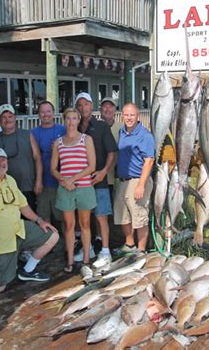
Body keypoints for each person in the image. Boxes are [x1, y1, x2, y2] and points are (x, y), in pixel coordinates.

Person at [0, 148, 59, 293]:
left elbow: (23, 206)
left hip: (18, 230)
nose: (1, 163)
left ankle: (27, 271)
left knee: (53, 235)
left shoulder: (10, 180)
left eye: (3, 159)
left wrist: (39, 220)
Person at [51, 108, 96, 273]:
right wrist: (64, 181)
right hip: (65, 188)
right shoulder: (58, 142)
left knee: (85, 224)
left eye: (74, 118)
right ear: (64, 120)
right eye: (68, 118)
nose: (71, 122)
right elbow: (53, 169)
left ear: (79, 120)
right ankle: (70, 259)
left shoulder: (86, 139)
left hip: (84, 187)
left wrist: (73, 179)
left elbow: (92, 166)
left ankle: (85, 258)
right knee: (69, 226)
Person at [75, 93, 117, 267]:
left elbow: (112, 152)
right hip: (80, 182)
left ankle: (105, 251)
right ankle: (89, 248)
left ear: (91, 106)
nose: (83, 108)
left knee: (101, 216)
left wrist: (104, 172)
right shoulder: (73, 127)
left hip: (98, 180)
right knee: (84, 218)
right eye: (80, 105)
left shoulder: (101, 126)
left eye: (86, 104)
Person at [114, 102, 155, 253]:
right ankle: (130, 245)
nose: (129, 118)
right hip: (123, 180)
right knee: (122, 215)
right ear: (122, 115)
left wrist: (141, 185)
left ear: (138, 116)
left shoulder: (145, 135)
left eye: (132, 115)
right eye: (126, 115)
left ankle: (141, 250)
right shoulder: (122, 132)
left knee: (139, 216)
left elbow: (149, 161)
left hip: (138, 180)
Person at [0, 104, 43, 211]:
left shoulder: (27, 135)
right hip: (3, 190)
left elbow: (38, 158)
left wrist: (39, 181)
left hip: (28, 187)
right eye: (3, 117)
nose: (7, 120)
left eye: (10, 116)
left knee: (29, 222)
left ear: (15, 118)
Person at [31, 101, 66, 224]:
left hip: (62, 180)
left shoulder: (63, 129)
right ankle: (50, 241)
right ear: (38, 114)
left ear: (53, 113)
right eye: (42, 111)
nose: (46, 114)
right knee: (44, 214)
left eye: (48, 111)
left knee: (63, 215)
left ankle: (68, 241)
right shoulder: (33, 133)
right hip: (43, 180)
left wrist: (60, 149)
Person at [100, 97, 120, 191]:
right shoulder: (95, 127)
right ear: (100, 109)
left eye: (111, 107)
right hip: (99, 179)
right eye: (104, 107)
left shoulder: (122, 128)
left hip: (117, 178)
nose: (107, 109)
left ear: (115, 110)